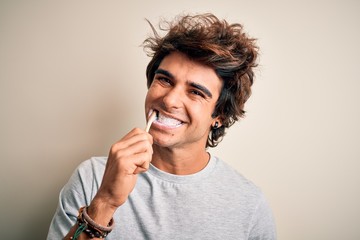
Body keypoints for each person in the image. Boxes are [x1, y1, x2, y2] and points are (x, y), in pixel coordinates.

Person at [47, 13, 276, 240]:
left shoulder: (249, 204)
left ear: (221, 115)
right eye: (164, 80)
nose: (169, 100)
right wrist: (105, 201)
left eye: (195, 92)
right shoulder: (93, 178)